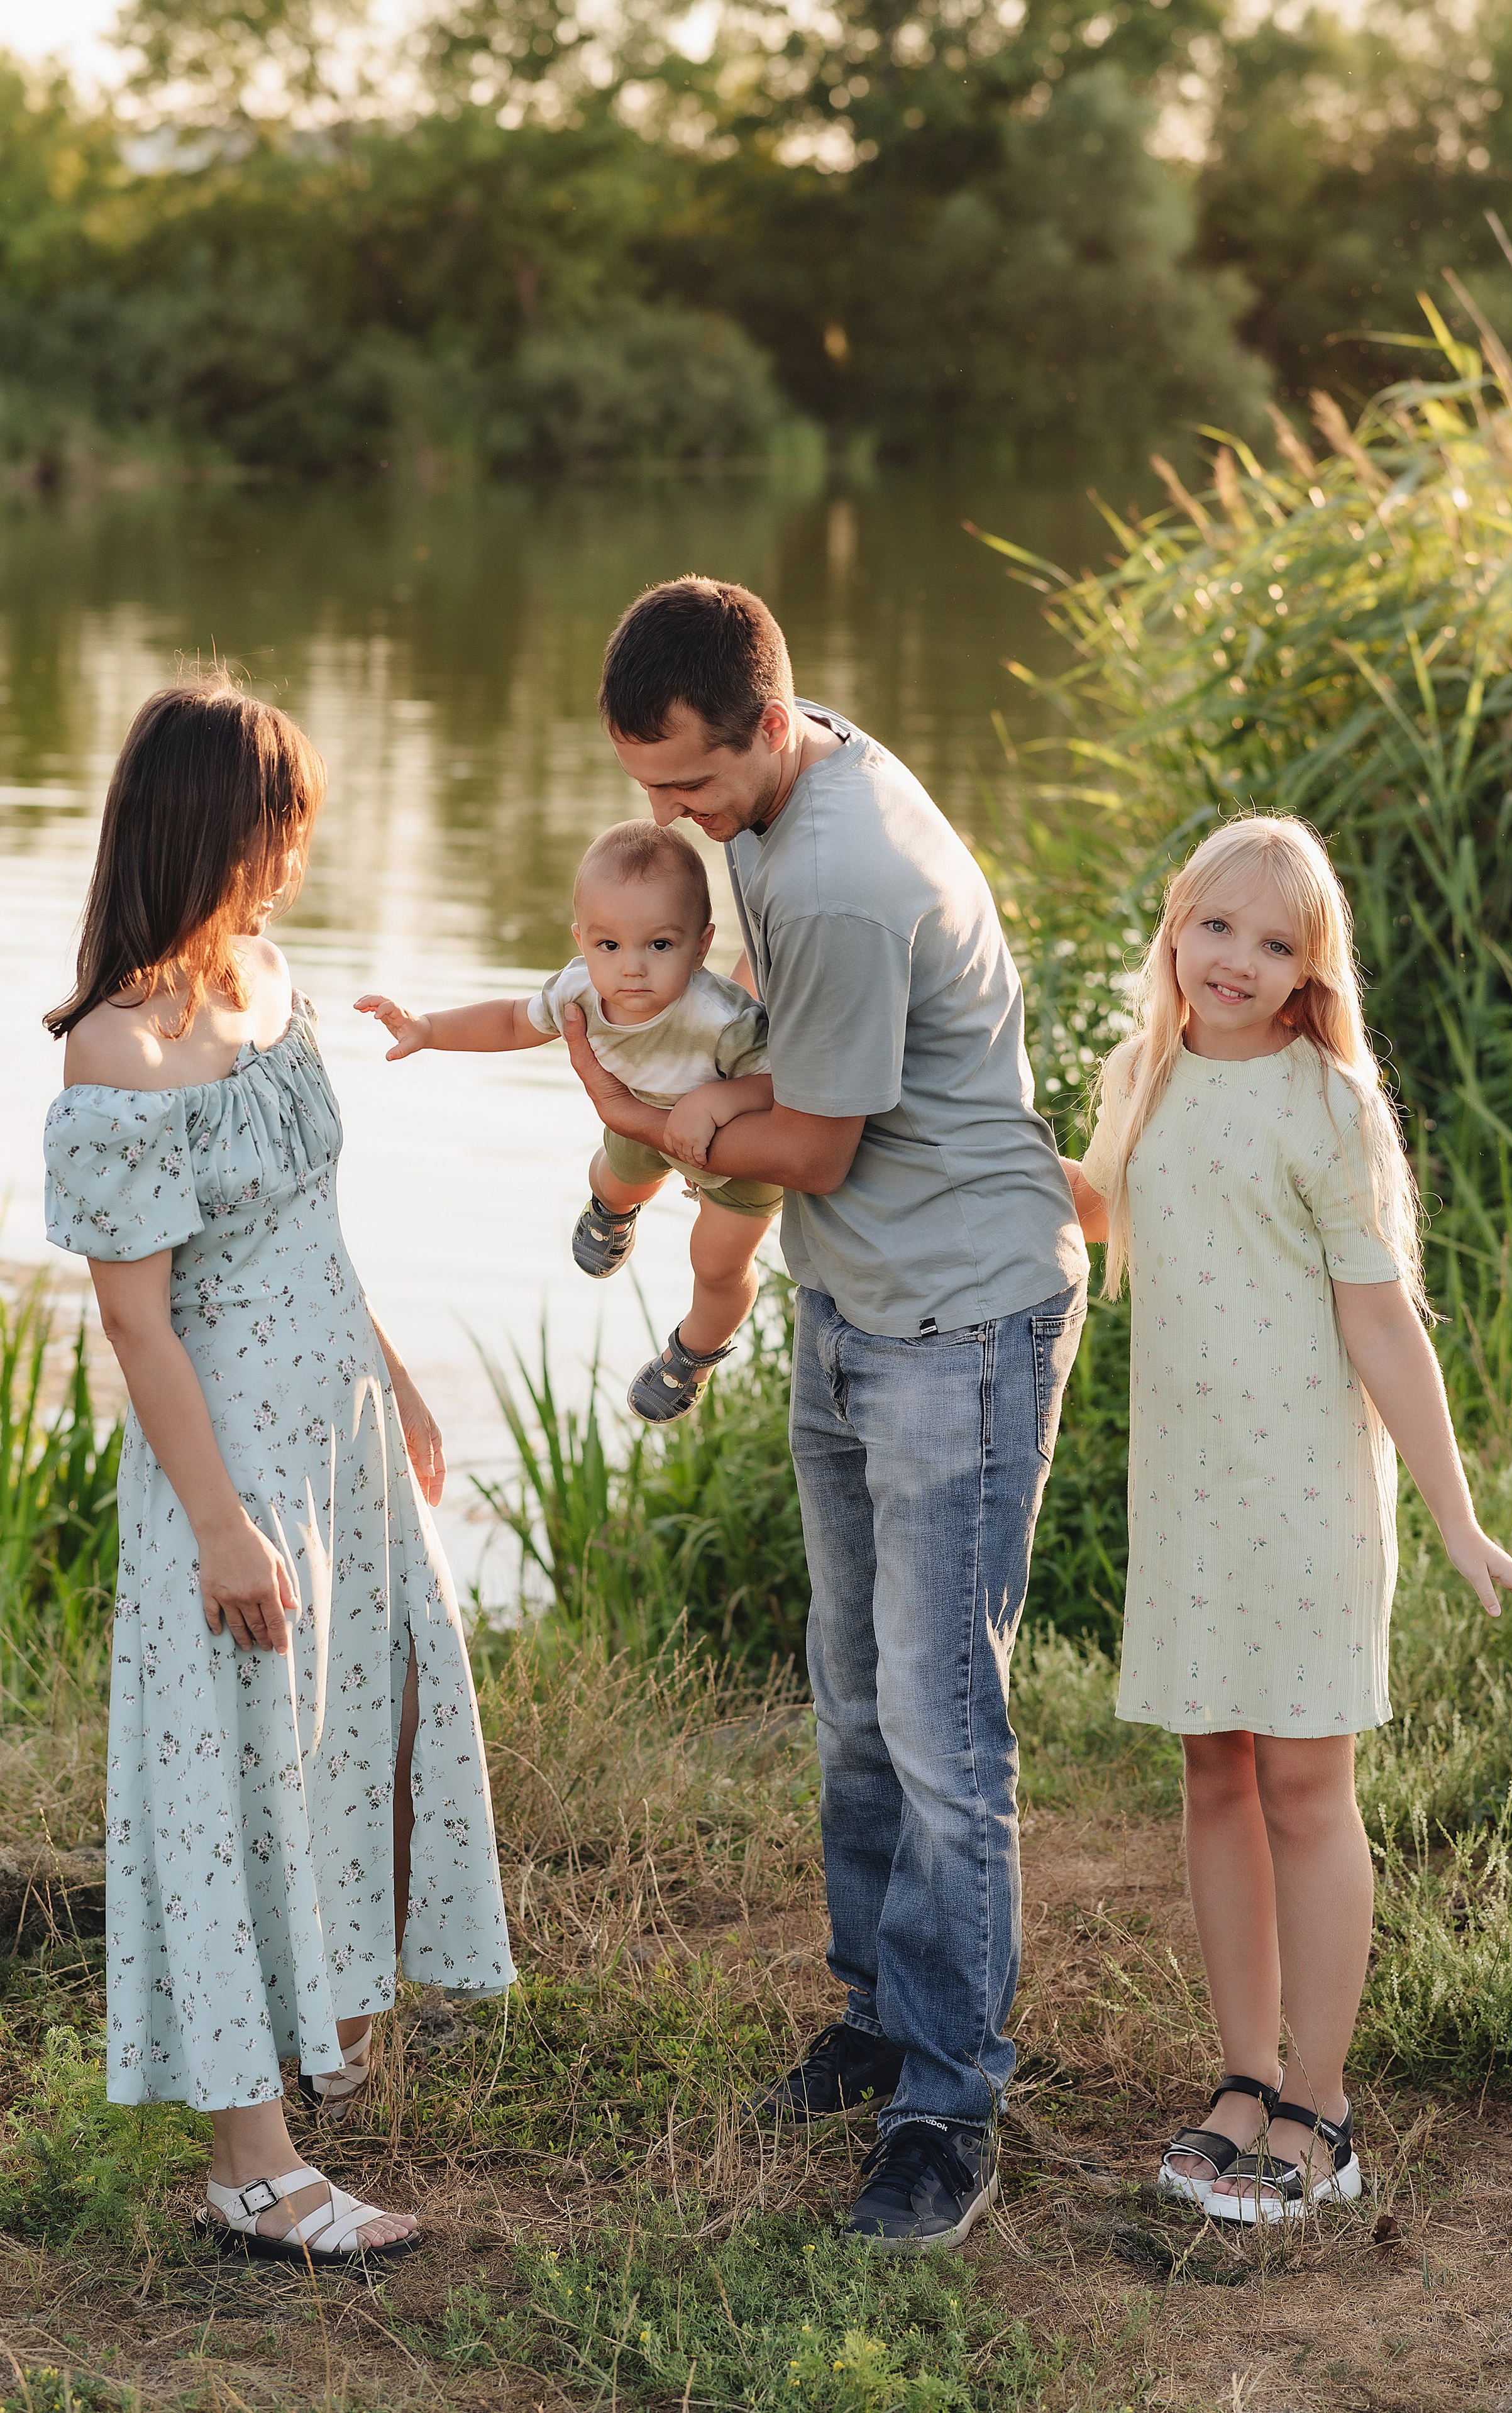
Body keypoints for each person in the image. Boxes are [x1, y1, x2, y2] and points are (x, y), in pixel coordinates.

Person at [563, 575, 1088, 2253]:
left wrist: (644, 1110)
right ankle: (878, 2009)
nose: (674, 821)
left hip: (960, 1319)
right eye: (650, 788)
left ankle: (947, 2099)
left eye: (693, 784)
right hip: (855, 1307)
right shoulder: (779, 792)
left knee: (941, 1725)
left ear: (770, 725)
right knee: (854, 1700)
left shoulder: (845, 875)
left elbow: (811, 1146)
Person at [42, 675, 514, 2268]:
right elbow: (136, 1320)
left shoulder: (270, 976)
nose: (291, 864)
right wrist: (219, 1525)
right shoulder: (117, 1052)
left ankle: (330, 2020)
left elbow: (313, 1221)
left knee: (368, 1718)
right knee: (231, 1774)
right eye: (275, 834)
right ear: (207, 831)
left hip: (341, 1432)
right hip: (231, 1460)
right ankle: (251, 2165)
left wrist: (397, 1379)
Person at [1066, 814, 1512, 2224]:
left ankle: (1322, 2112)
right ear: (1174, 926)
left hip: (1303, 1495)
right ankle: (1244, 2075)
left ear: (1308, 970)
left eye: (1273, 941)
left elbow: (1382, 1321)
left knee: (1300, 1783)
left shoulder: (1330, 1104)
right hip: (1186, 1489)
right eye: (1214, 925)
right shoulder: (1143, 1073)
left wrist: (1457, 1516)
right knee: (1211, 1769)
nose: (1235, 958)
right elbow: (1104, 1207)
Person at [355, 819, 780, 1423]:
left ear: (702, 944)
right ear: (582, 939)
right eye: (609, 946)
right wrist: (427, 1029)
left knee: (716, 1264)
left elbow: (782, 1088)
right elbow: (511, 1021)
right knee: (615, 1176)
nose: (632, 968)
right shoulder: (579, 991)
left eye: (660, 945)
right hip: (644, 1117)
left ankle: (694, 1352)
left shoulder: (724, 1019)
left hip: (740, 1152)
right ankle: (613, 1210)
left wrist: (719, 1102)